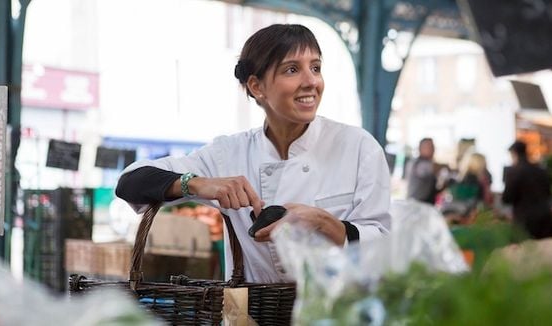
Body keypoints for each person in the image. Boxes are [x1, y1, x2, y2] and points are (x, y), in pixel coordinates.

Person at [115, 24, 391, 283]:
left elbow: (385, 248)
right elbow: (130, 182)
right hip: (252, 315)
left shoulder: (358, 147)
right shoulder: (228, 154)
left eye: (316, 68)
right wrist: (197, 183)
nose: (311, 82)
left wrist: (325, 223)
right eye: (292, 70)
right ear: (257, 87)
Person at [502, 140, 552, 239]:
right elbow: (549, 193)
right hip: (545, 219)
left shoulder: (514, 172)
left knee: (527, 253)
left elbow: (507, 198)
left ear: (514, 153)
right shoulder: (540, 170)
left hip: (525, 222)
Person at [406, 138, 441, 204]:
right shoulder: (416, 164)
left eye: (432, 147)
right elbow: (434, 167)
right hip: (416, 205)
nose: (432, 150)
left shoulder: (428, 163)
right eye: (428, 147)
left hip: (426, 205)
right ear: (420, 149)